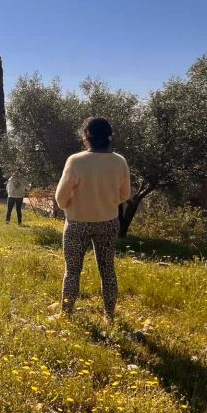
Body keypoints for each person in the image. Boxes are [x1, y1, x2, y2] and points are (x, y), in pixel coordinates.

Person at [54, 117, 131, 322]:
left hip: (77, 222)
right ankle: (110, 315)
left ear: (86, 135)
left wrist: (69, 206)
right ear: (109, 136)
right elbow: (125, 195)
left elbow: (61, 197)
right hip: (108, 222)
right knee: (108, 269)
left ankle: (66, 314)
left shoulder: (76, 160)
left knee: (72, 271)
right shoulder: (119, 161)